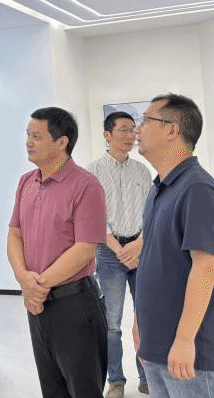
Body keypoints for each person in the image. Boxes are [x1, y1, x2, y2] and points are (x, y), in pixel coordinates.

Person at [132, 94, 214, 398]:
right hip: (157, 344)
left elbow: (206, 267)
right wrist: (140, 322)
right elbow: (153, 262)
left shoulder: (197, 188)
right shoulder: (160, 187)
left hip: (192, 355)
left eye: (146, 120)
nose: (137, 128)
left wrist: (185, 339)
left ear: (171, 129)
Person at [8, 106, 109, 398]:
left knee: (83, 390)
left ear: (62, 142)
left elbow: (85, 249)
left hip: (74, 305)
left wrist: (37, 286)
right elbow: (14, 234)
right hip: (38, 305)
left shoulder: (86, 185)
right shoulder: (26, 182)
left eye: (37, 136)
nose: (28, 142)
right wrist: (24, 279)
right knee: (52, 390)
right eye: (28, 135)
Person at [89, 111, 152, 397]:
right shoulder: (92, 173)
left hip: (141, 251)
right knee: (112, 324)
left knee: (146, 317)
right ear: (107, 135)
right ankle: (116, 380)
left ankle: (147, 377)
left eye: (132, 130)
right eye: (124, 130)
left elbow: (151, 213)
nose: (130, 135)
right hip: (108, 253)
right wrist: (119, 249)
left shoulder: (142, 171)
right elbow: (93, 219)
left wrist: (139, 244)